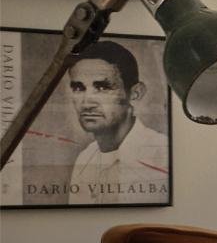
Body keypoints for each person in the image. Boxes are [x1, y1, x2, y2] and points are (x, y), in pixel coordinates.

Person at [63, 40, 170, 205]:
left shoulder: (162, 154)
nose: (86, 103)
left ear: (135, 93)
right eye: (79, 88)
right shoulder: (85, 159)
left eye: (102, 88)